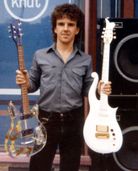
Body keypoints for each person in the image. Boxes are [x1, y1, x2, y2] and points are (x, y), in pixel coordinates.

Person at [15, 3, 111, 171]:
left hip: (74, 121)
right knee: (38, 166)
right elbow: (32, 85)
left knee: (70, 166)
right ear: (55, 28)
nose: (65, 28)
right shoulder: (41, 56)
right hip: (45, 120)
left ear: (77, 30)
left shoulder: (85, 60)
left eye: (71, 24)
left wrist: (99, 89)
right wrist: (25, 82)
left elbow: (87, 89)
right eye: (61, 24)